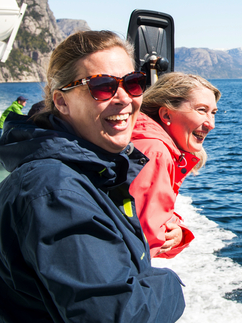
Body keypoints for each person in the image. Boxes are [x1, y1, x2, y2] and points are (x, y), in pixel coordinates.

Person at [0, 30, 185, 322]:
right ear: (61, 103)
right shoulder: (54, 192)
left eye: (134, 83)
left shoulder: (92, 172)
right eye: (102, 87)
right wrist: (171, 284)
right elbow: (119, 316)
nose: (124, 99)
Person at [130, 72, 220, 258]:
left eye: (213, 113)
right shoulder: (155, 153)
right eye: (201, 110)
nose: (211, 124)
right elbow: (145, 240)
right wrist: (176, 233)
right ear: (166, 114)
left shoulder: (144, 141)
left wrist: (175, 229)